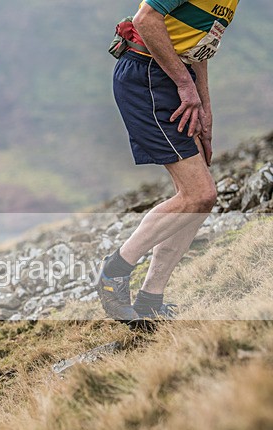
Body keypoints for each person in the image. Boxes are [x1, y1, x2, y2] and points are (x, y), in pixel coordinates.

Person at [98, 0, 239, 323]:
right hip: (146, 76)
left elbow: (197, 48)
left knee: (200, 199)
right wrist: (185, 86)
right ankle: (114, 272)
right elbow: (146, 19)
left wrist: (204, 107)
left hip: (173, 76)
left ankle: (151, 298)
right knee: (199, 193)